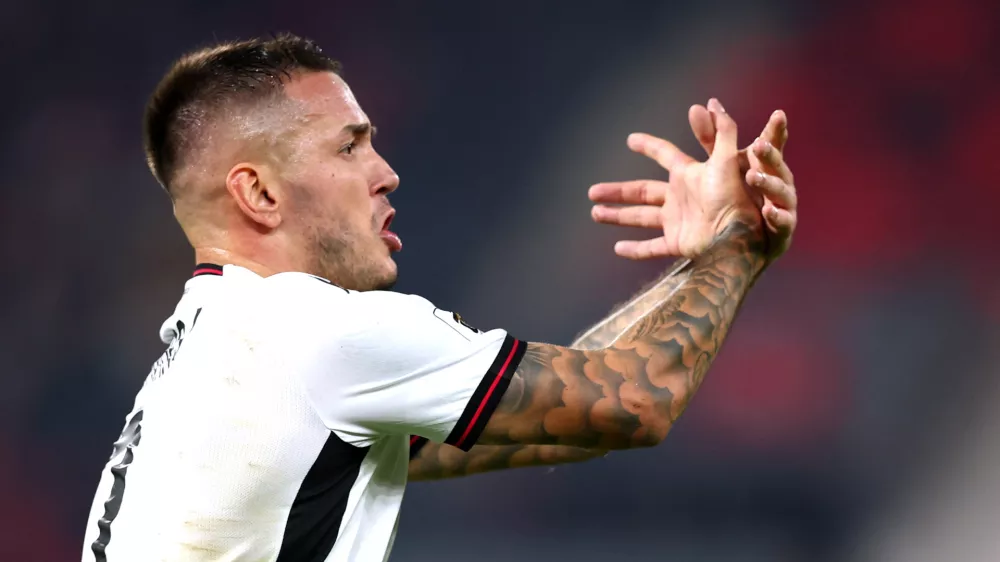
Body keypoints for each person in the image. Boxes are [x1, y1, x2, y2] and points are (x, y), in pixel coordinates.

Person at [82, 33, 798, 562]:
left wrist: (704, 263)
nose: (387, 173)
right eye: (349, 148)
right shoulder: (318, 335)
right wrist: (736, 241)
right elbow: (636, 402)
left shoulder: (219, 361)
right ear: (260, 192)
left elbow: (567, 420)